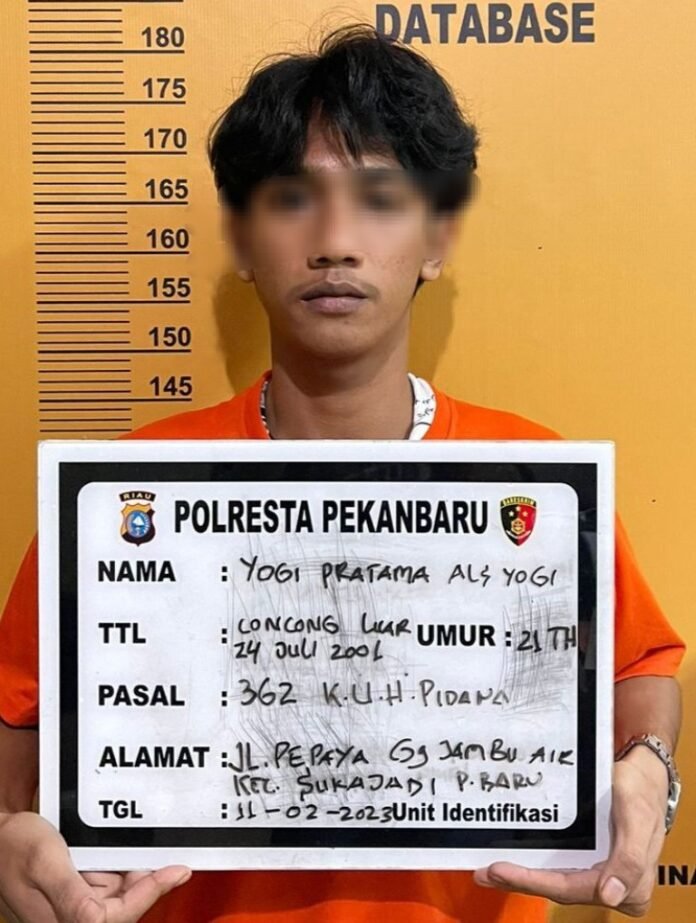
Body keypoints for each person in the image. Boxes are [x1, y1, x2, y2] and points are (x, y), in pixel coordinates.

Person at [0, 22, 685, 923]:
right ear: (242, 241)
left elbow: (639, 665)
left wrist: (649, 766)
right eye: (292, 198)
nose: (335, 241)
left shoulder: (532, 482)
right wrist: (7, 836)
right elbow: (17, 732)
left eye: (380, 198)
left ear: (436, 241)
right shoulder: (124, 494)